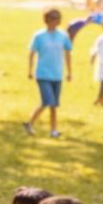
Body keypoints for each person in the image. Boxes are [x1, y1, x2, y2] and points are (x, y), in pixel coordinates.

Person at [24, 8, 73, 139]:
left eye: (57, 18)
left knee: (54, 105)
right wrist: (30, 70)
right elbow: (32, 53)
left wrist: (69, 72)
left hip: (57, 74)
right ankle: (30, 123)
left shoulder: (63, 36)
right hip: (43, 74)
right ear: (47, 20)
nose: (55, 20)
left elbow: (68, 53)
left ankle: (53, 130)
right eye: (53, 17)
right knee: (48, 101)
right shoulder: (39, 36)